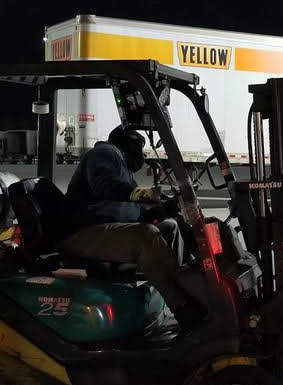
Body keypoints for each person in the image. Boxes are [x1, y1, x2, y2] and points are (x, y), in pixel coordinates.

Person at [58, 124, 207, 333]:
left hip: (105, 229)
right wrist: (144, 194)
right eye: (139, 147)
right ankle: (184, 310)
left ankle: (181, 289)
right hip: (82, 231)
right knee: (146, 236)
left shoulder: (123, 169)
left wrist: (163, 209)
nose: (142, 154)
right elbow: (106, 185)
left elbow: (133, 211)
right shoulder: (104, 153)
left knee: (170, 227)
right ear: (127, 144)